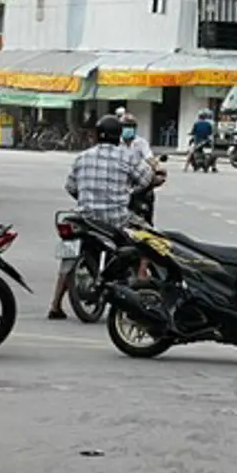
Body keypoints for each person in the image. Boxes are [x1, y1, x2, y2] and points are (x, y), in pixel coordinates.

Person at [48, 114, 157, 320]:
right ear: (119, 136)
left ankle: (55, 304)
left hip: (85, 218)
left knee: (67, 255)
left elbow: (71, 187)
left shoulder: (82, 157)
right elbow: (146, 179)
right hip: (117, 220)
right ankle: (142, 275)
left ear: (97, 135)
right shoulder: (127, 155)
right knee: (152, 236)